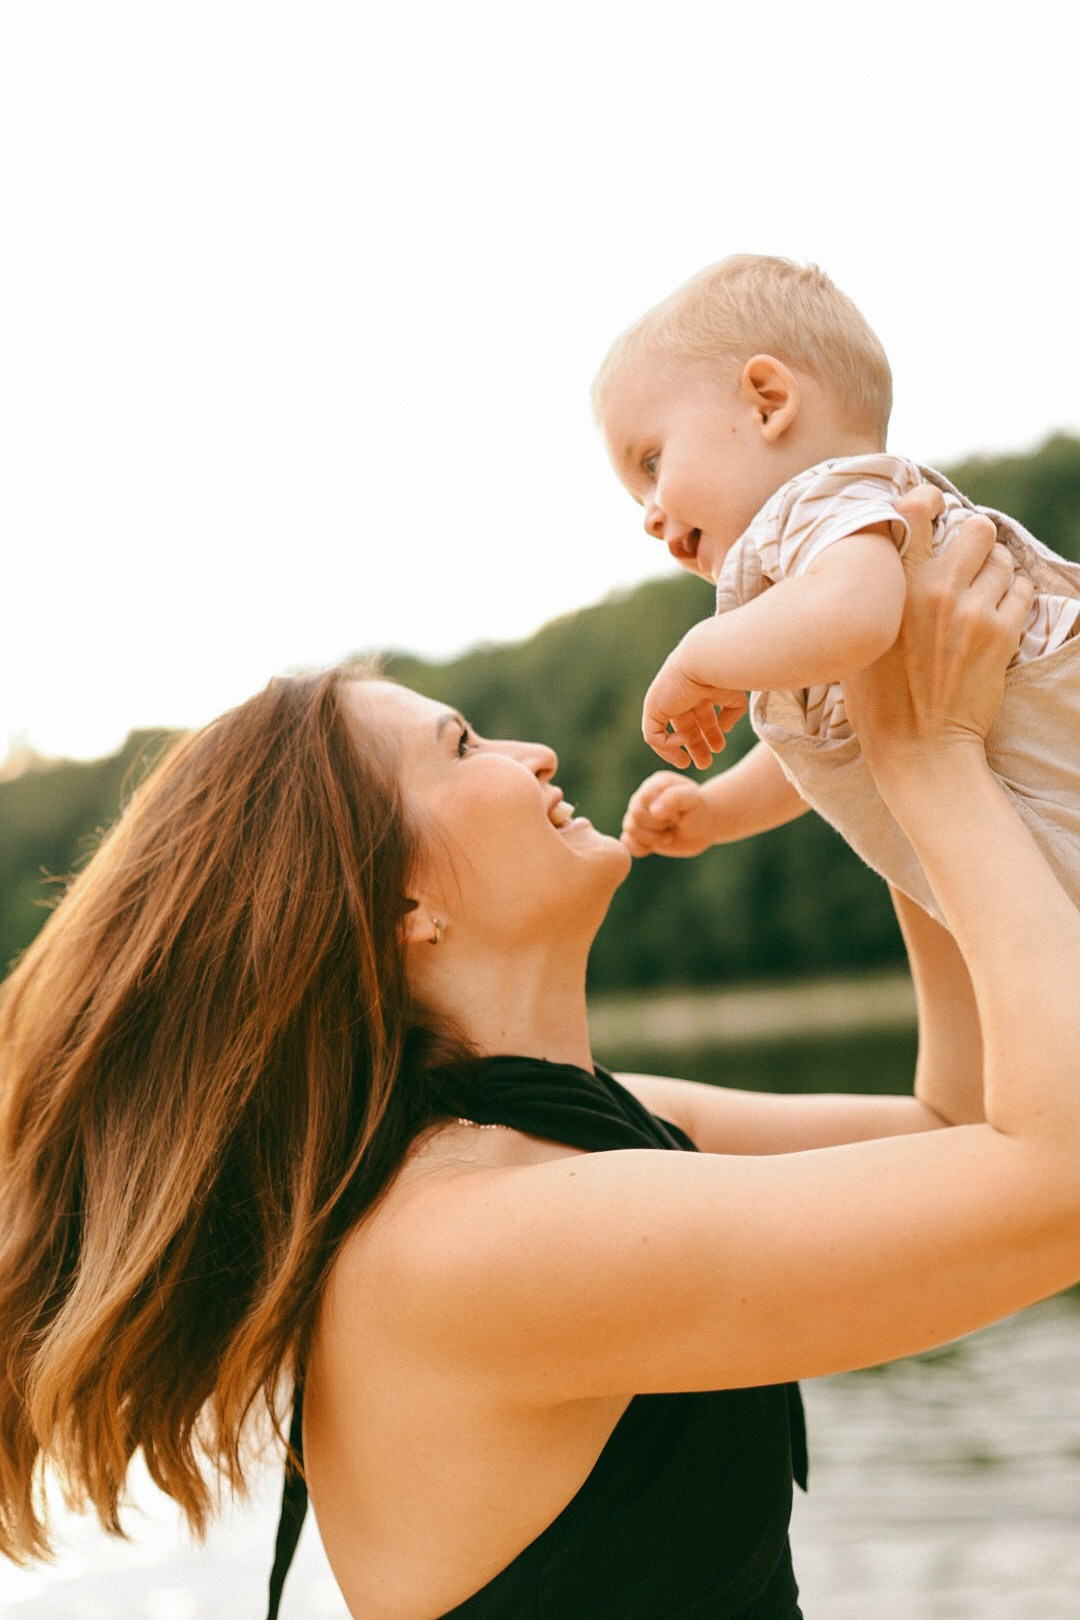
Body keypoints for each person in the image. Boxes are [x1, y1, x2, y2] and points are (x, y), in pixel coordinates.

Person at [2, 495, 1080, 1620]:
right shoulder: (465, 1247)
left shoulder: (572, 1136)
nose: (534, 753)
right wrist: (932, 756)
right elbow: (1061, 1178)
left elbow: (960, 1131)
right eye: (464, 746)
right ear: (401, 904)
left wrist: (872, 773)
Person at [600, 255, 1080, 926]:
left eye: (652, 463)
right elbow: (838, 741)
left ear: (769, 402)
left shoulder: (821, 500)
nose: (650, 514)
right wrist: (719, 811)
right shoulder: (835, 559)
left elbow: (858, 618)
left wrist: (698, 653)